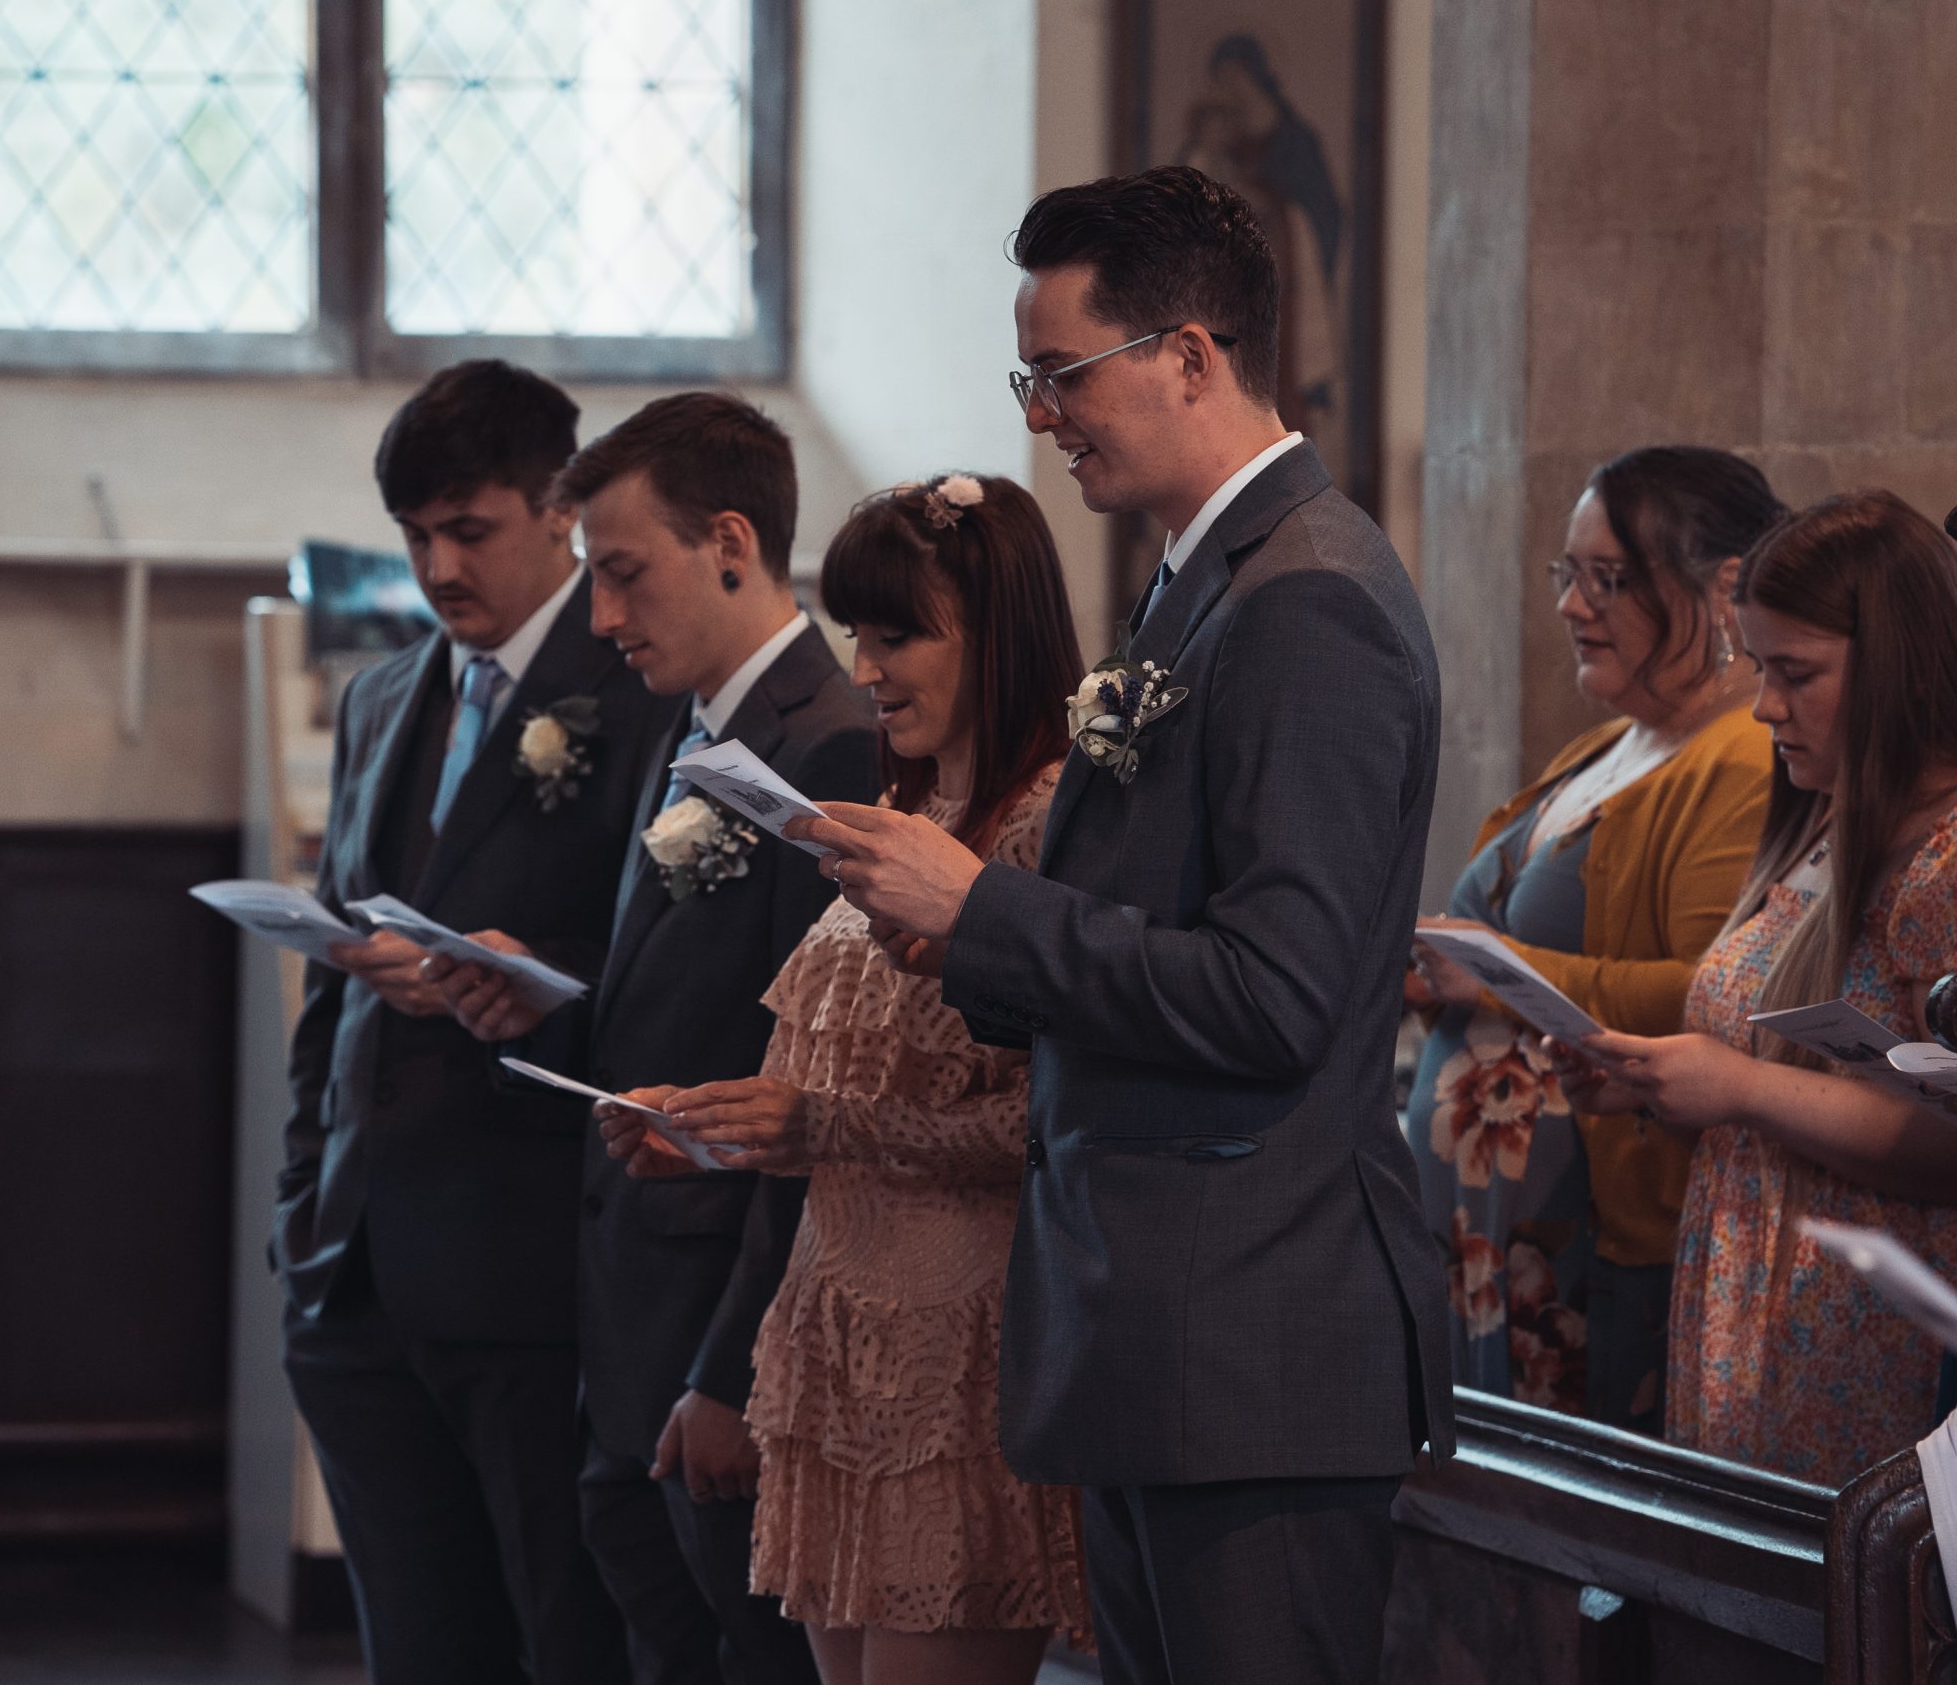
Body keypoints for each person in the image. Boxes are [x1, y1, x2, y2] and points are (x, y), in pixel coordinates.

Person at [793, 165, 1449, 1682]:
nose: (1041, 415)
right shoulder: (1201, 585)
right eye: (1028, 378)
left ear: (1190, 357)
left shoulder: (1309, 600)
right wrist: (961, 938)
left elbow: (1277, 994)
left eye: (1064, 373)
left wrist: (988, 907)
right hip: (1165, 1330)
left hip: (1254, 1336)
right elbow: (1152, 917)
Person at [600, 474, 1091, 1685]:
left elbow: (1060, 1118)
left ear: (998, 632)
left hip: (957, 1351)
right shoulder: (894, 812)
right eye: (856, 634)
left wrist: (825, 1126)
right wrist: (719, 1130)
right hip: (832, 1331)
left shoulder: (1049, 828)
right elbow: (837, 1086)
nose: (864, 669)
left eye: (898, 636)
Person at [434, 392, 875, 1685]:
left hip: (721, 1332)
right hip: (632, 1316)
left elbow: (814, 1085)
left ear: (729, 543)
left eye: (623, 573)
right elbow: (688, 994)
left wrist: (734, 1368)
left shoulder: (829, 746)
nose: (602, 616)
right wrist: (559, 995)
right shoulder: (691, 725)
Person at [274, 360, 674, 1685]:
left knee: (562, 1640)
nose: (438, 568)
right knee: (417, 1649)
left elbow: (680, 968)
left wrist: (528, 975)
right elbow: (334, 981)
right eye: (414, 536)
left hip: (529, 1265)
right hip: (354, 1270)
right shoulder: (385, 696)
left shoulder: (643, 691)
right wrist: (300, 1206)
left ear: (560, 510)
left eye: (468, 530)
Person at [1560, 490, 1957, 1487]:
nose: (1765, 706)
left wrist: (1739, 1088)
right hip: (1748, 1310)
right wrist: (1660, 1083)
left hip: (1864, 1344)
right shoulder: (1822, 813)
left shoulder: (1944, 859)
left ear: (1899, 667)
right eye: (1758, 666)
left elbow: (1949, 1140)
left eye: (1796, 674)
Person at [1403, 447, 1780, 1432]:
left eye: (1607, 578)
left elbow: (1710, 994)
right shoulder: (1612, 741)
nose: (1573, 605)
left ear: (1724, 588)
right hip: (1496, 1231)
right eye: (1566, 574)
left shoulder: (1741, 755)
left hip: (1587, 1226)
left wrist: (1495, 979)